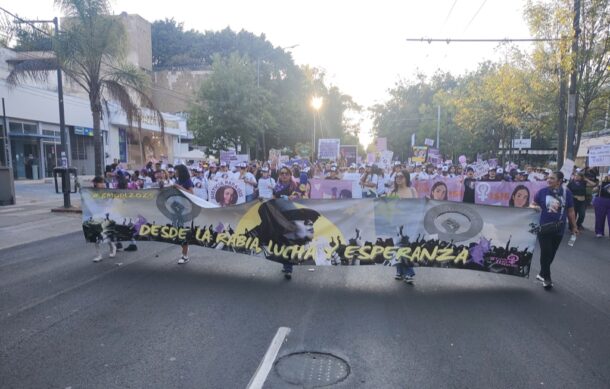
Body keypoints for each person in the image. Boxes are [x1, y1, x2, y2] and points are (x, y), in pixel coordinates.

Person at [249, 199, 321, 280]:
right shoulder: (264, 248)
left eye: (309, 220)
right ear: (286, 223)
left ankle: (287, 270)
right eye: (303, 219)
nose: (311, 223)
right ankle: (287, 270)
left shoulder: (305, 246)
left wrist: (327, 261)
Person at [532, 171, 578, 289]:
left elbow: (571, 211)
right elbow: (532, 204)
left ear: (559, 181)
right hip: (544, 228)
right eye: (548, 178)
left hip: (559, 228)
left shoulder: (567, 194)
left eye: (552, 178)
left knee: (552, 253)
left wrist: (574, 226)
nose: (548, 180)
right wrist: (535, 207)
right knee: (546, 252)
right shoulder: (542, 192)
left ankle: (542, 273)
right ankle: (547, 278)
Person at [89, 176, 117, 262]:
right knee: (95, 236)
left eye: (103, 182)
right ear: (96, 184)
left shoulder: (107, 191)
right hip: (95, 215)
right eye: (100, 182)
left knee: (106, 234)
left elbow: (111, 201)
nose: (102, 184)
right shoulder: (91, 192)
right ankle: (98, 255)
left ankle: (113, 247)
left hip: (105, 215)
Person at [174, 164, 195, 264]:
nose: (175, 172)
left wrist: (178, 187)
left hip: (186, 209)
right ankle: (185, 251)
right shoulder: (178, 181)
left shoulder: (187, 181)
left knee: (183, 233)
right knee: (178, 232)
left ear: (180, 171)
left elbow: (191, 193)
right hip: (178, 209)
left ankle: (185, 255)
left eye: (176, 170)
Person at [593, 170, 610, 238]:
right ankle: (599, 232)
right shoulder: (603, 183)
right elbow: (594, 190)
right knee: (600, 217)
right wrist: (598, 187)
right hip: (601, 200)